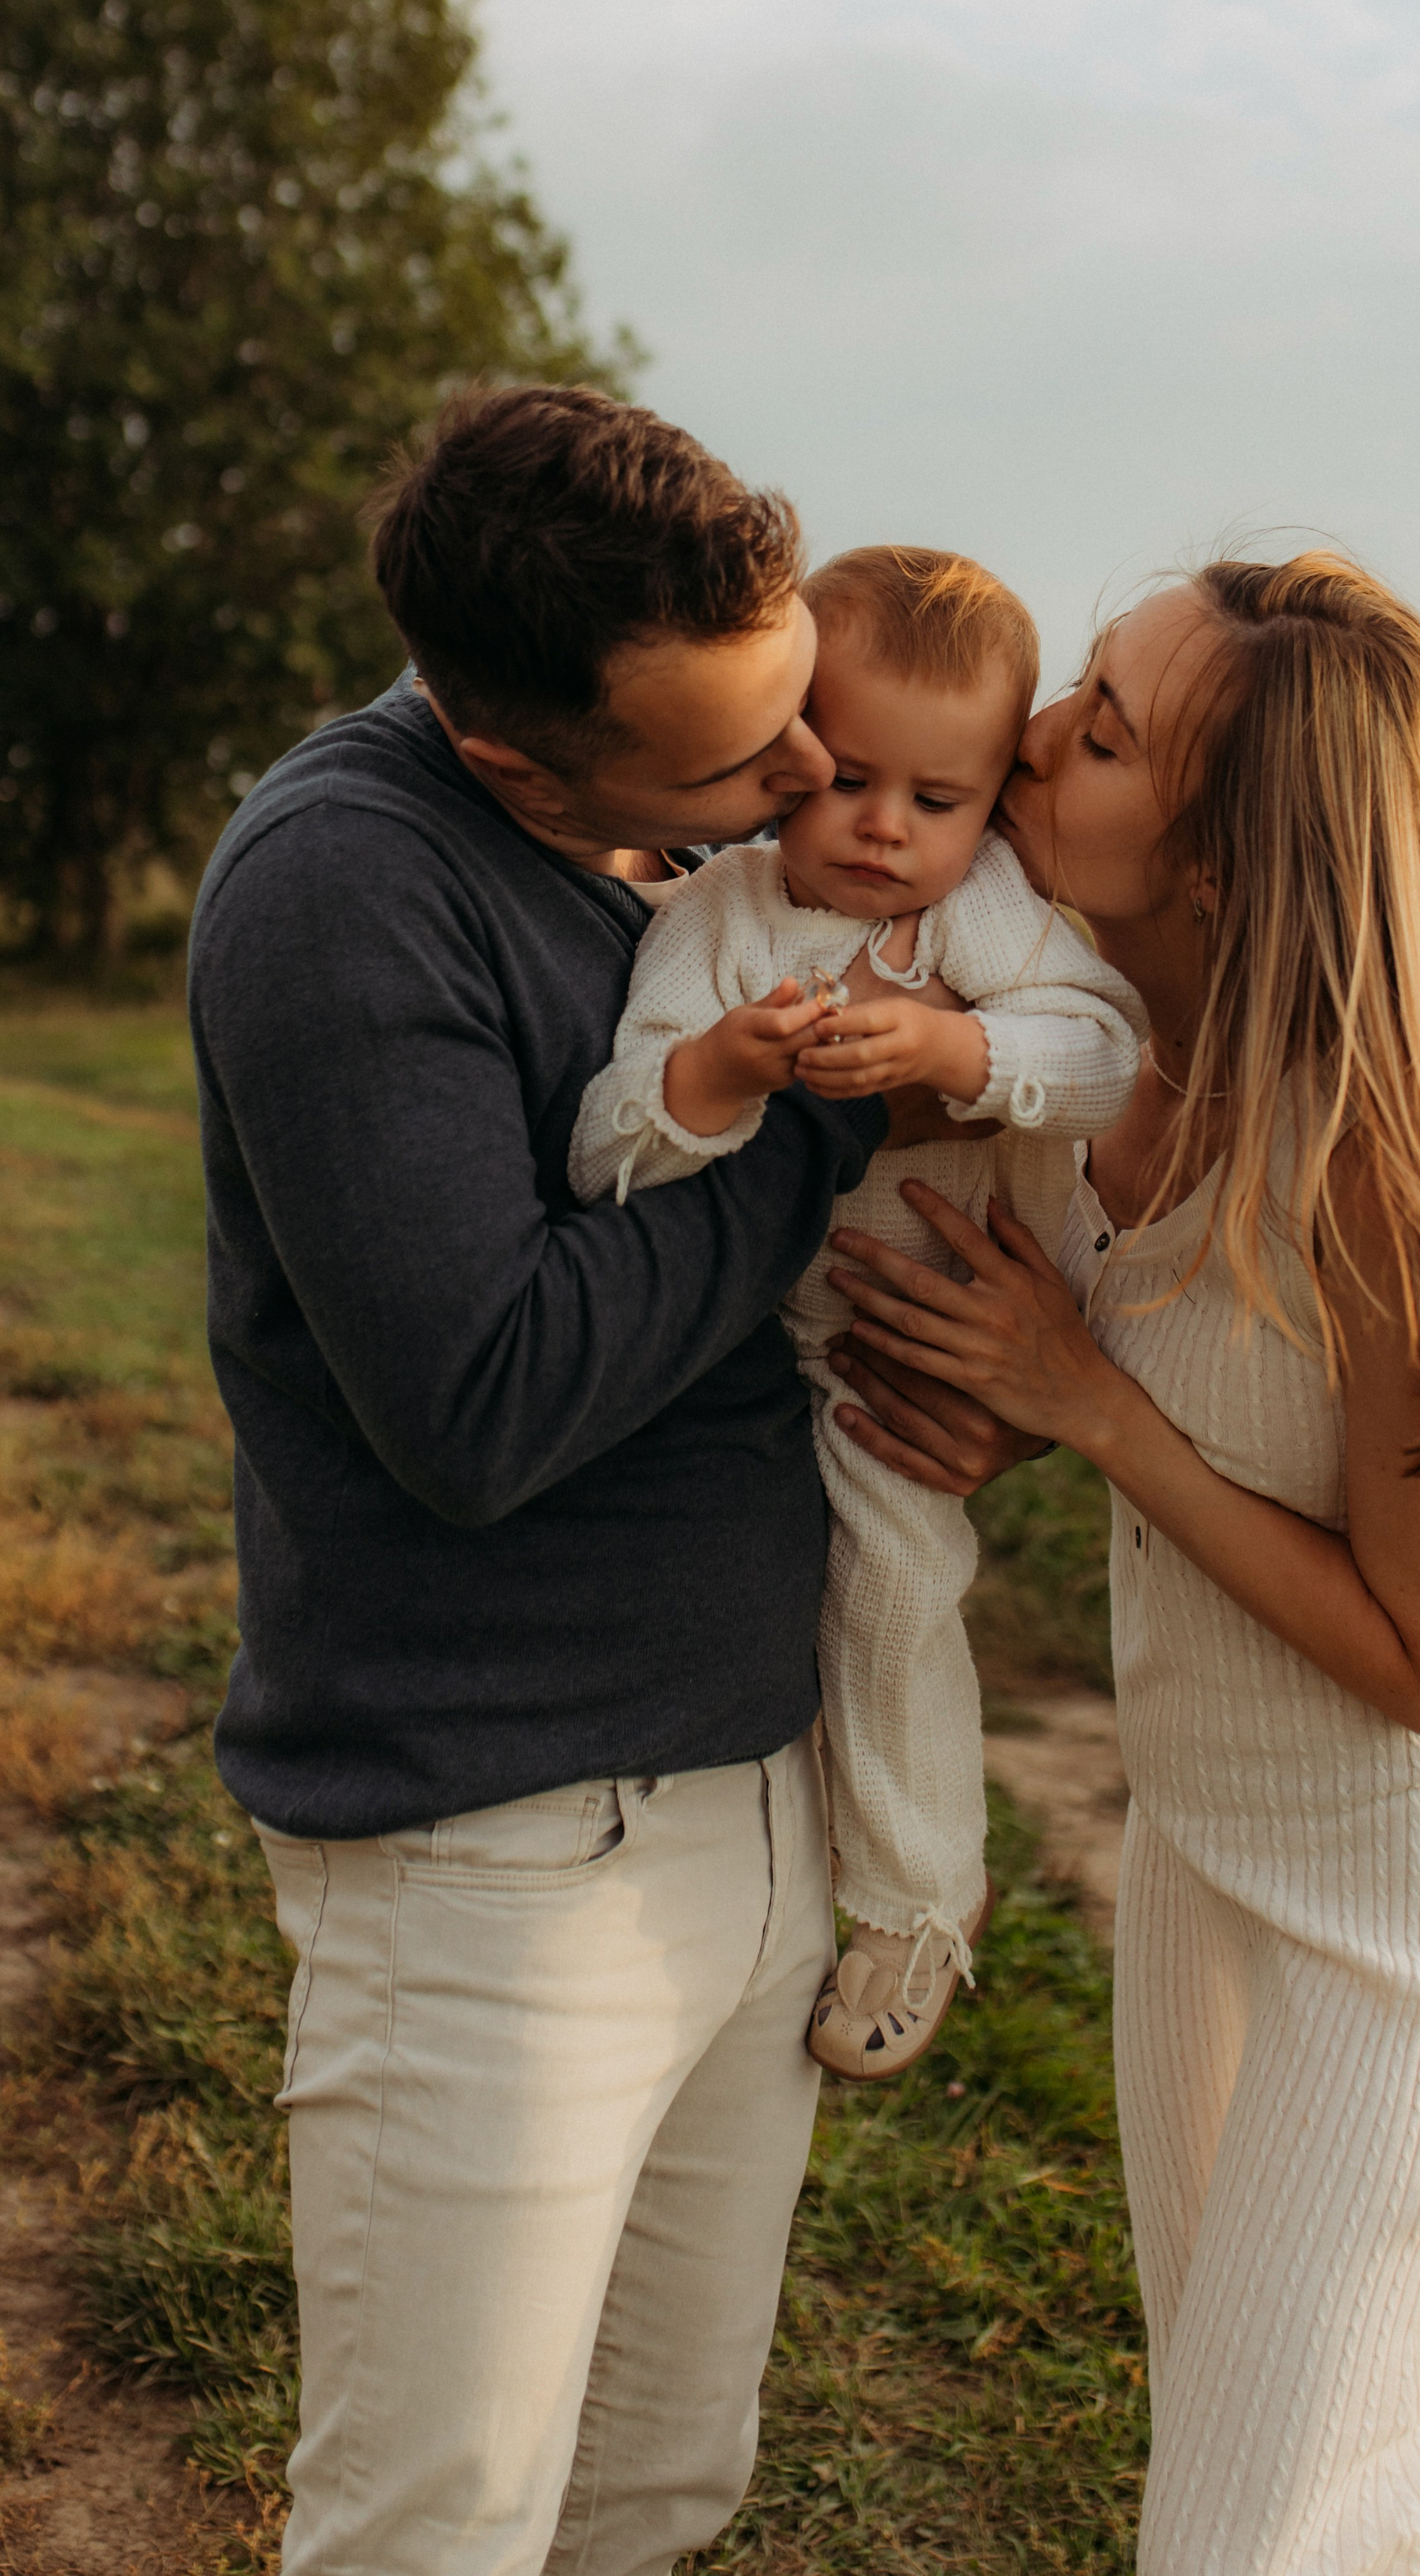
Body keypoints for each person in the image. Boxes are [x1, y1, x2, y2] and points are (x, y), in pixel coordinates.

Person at [186, 384, 1027, 2576]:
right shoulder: (348, 887)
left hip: (751, 1798)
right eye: (745, 766)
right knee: (438, 2531)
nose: (815, 785)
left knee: (657, 2493)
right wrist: (829, 1124)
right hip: (504, 1851)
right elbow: (481, 1396)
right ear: (515, 765)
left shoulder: (669, 816)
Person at [822, 554, 1420, 2571]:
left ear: (1224, 861)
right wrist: (1000, 1419)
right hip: (1201, 1863)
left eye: (1107, 731)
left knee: (1272, 2517)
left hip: (1397, 1930)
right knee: (1259, 2436)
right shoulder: (1090, 1072)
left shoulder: (1386, 1172)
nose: (1036, 731)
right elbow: (1130, 1420)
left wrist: (1097, 1412)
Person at [568, 545, 1145, 2078]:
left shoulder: (983, 918)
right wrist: (722, 1073)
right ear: (785, 756)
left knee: (891, 1587)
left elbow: (1104, 1058)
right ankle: (764, 1855)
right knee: (789, 1586)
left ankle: (913, 1899)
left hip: (942, 1315)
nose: (885, 829)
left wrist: (957, 1053)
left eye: (937, 800)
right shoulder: (718, 924)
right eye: (848, 781)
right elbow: (606, 1140)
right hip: (778, 1333)